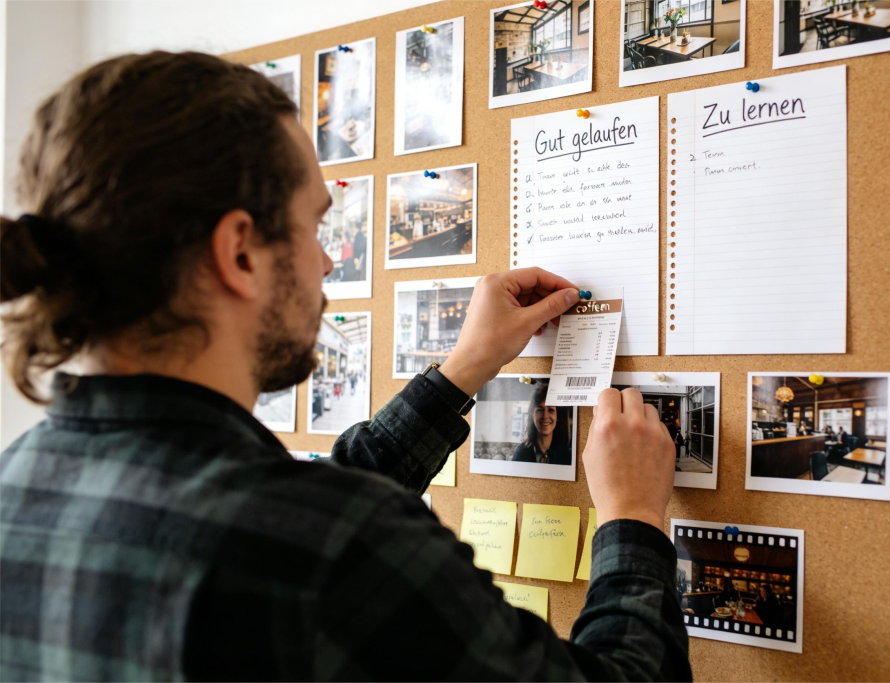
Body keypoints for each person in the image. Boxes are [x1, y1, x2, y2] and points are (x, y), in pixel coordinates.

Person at [0, 52, 690, 682]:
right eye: (315, 225)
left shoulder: (17, 484)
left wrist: (462, 370)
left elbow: (309, 509)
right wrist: (631, 515)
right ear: (239, 253)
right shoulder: (334, 549)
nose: (328, 261)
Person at [511, 382, 572, 465]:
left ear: (557, 416)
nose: (545, 416)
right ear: (532, 415)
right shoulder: (521, 452)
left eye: (550, 410)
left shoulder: (568, 455)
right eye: (540, 410)